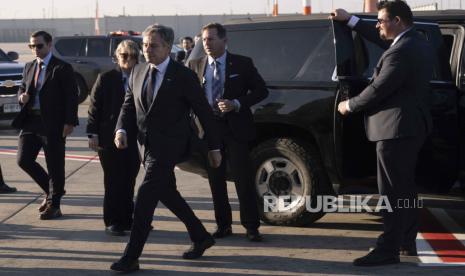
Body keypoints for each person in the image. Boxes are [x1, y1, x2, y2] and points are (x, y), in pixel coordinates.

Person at [110, 24, 222, 273]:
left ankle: (132, 256)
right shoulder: (137, 71)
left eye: (154, 45)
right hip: (145, 146)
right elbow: (129, 105)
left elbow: (203, 111)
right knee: (167, 193)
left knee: (145, 198)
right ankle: (201, 236)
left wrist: (214, 146)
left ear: (168, 47)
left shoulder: (183, 76)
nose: (147, 50)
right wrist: (121, 130)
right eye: (145, 45)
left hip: (171, 146)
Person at [330, 0, 433, 266]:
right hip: (410, 127)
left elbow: (379, 88)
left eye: (381, 20)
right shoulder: (416, 42)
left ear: (397, 21)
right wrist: (350, 20)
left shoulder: (400, 52)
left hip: (395, 130)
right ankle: (406, 242)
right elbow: (384, 41)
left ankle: (388, 249)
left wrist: (349, 105)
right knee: (405, 189)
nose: (377, 26)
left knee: (392, 193)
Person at [188, 23, 269, 242]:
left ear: (224, 40)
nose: (207, 43)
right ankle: (223, 225)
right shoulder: (195, 65)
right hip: (209, 130)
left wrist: (237, 103)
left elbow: (261, 90)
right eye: (204, 40)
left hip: (236, 129)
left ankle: (251, 226)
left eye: (211, 39)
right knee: (216, 180)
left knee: (243, 179)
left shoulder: (242, 64)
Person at [12, 30, 79, 220]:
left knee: (55, 164)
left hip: (54, 123)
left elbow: (71, 96)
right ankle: (51, 192)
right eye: (31, 46)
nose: (35, 49)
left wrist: (70, 121)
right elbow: (22, 88)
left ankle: (55, 205)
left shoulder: (62, 68)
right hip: (31, 120)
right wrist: (21, 96)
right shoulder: (29, 66)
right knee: (23, 160)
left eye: (39, 45)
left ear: (50, 45)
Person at [87, 40, 141, 236]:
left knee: (129, 178)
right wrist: (92, 133)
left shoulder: (142, 76)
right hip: (108, 138)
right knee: (113, 180)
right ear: (117, 57)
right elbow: (94, 108)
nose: (129, 59)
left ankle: (127, 218)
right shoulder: (106, 78)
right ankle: (112, 220)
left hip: (134, 136)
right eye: (124, 56)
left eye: (133, 56)